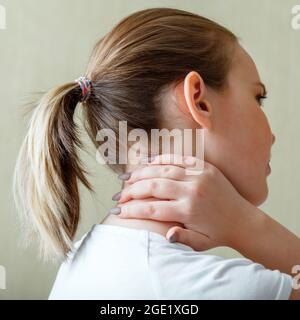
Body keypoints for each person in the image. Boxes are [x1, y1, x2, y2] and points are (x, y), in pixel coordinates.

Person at [13, 7, 298, 299]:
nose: (273, 134)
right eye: (257, 97)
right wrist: (248, 226)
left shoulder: (86, 258)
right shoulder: (227, 290)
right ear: (199, 101)